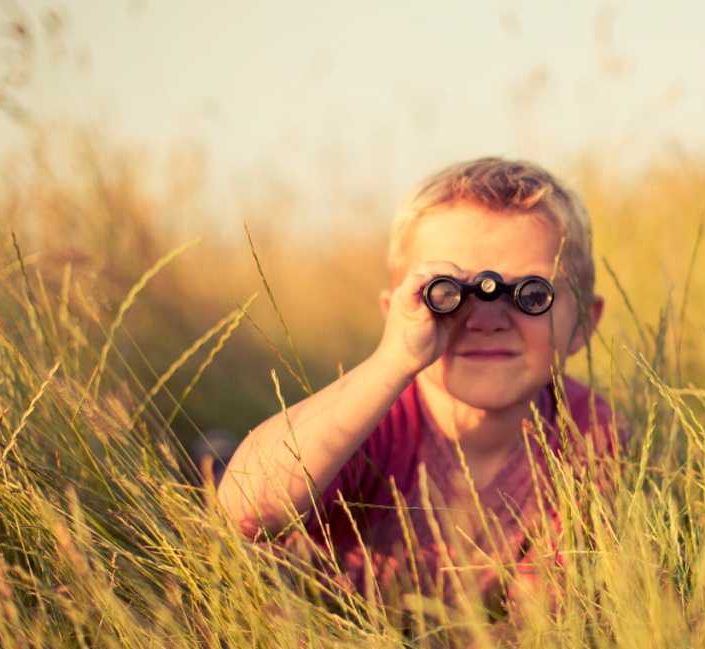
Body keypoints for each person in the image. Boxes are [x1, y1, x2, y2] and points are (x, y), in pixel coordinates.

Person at [216, 157, 623, 611]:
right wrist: (392, 361)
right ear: (396, 312)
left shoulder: (588, 431)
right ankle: (209, 454)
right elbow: (245, 511)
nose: (487, 320)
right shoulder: (367, 417)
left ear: (584, 320)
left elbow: (544, 620)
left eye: (530, 294)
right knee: (212, 475)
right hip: (331, 602)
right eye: (450, 295)